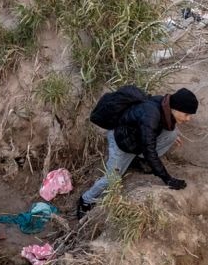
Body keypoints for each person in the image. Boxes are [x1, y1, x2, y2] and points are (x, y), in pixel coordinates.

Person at [77, 88, 199, 218]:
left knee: (172, 134)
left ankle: (136, 159)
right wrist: (167, 179)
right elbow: (149, 150)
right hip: (121, 141)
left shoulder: (164, 104)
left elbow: (156, 132)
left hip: (135, 138)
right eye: (186, 114)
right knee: (112, 179)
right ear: (176, 108)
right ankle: (86, 200)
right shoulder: (151, 115)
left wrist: (173, 135)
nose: (188, 119)